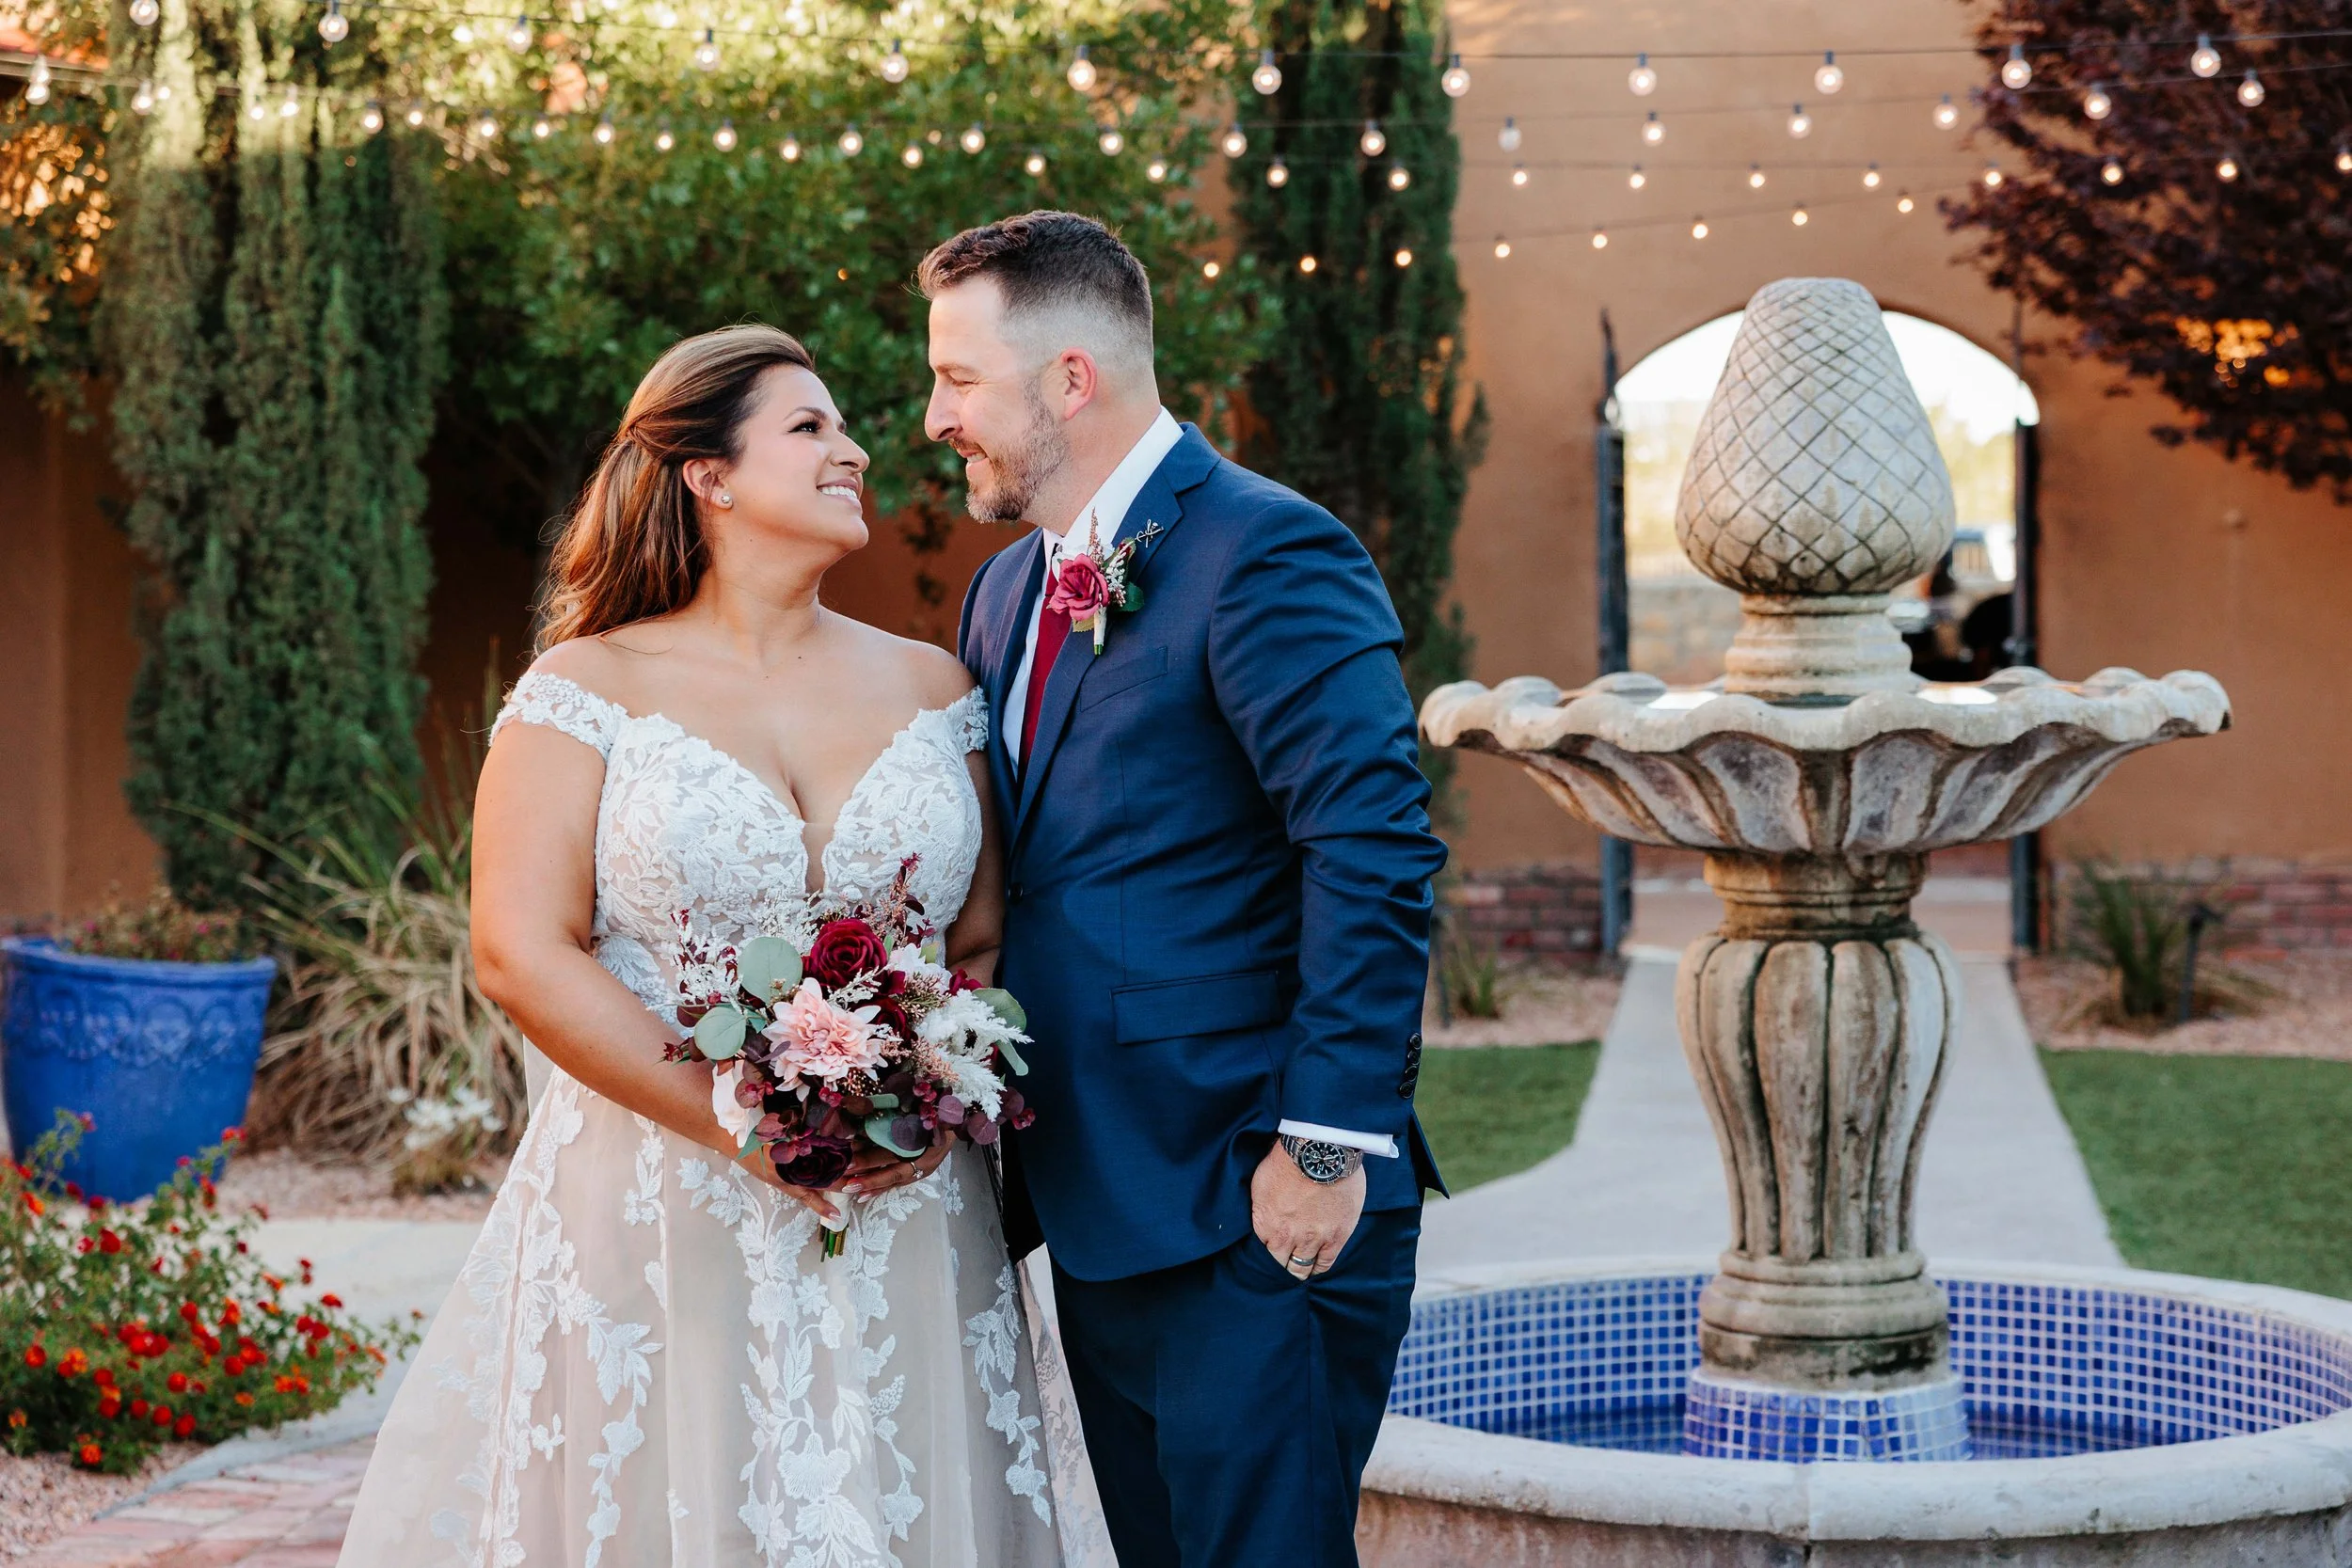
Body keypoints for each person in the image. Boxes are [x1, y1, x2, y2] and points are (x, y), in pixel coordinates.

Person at [336, 325, 1107, 1567]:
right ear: (709, 475)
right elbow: (520, 950)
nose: (855, 449)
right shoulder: (585, 688)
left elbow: (974, 940)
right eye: (810, 427)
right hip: (659, 1195)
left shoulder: (934, 687)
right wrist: (738, 1123)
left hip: (905, 1203)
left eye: (843, 425)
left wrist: (919, 1093)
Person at [929, 211, 1449, 1568]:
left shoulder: (1266, 551)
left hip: (1252, 1194)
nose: (936, 418)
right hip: (1101, 1201)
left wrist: (1323, 1149)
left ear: (1071, 379)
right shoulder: (1002, 596)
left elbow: (1374, 846)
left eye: (959, 379)